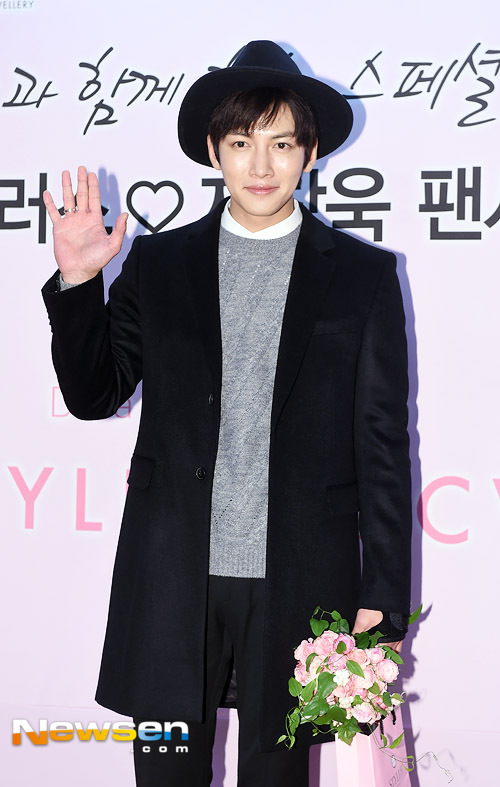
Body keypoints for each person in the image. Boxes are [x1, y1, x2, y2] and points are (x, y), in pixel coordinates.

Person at [41, 40, 412, 787]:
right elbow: (93, 396)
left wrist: (383, 597)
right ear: (214, 151)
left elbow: (382, 445)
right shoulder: (159, 264)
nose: (261, 165)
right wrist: (79, 284)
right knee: (166, 773)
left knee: (277, 777)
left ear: (310, 153)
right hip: (173, 576)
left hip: (300, 579)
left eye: (282, 143)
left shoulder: (362, 276)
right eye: (242, 143)